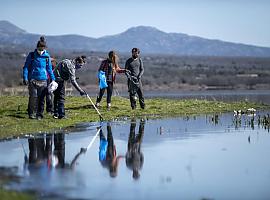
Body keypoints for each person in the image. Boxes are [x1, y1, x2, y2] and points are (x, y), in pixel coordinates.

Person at [22, 36, 55, 119]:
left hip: (43, 80)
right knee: (33, 97)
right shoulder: (32, 55)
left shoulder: (47, 57)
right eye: (40, 49)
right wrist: (25, 77)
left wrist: (53, 79)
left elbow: (49, 69)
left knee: (41, 98)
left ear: (45, 49)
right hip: (33, 79)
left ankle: (39, 114)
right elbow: (26, 67)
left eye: (42, 49)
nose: (41, 51)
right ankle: (31, 113)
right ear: (37, 48)